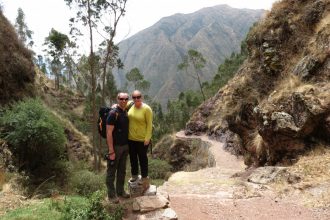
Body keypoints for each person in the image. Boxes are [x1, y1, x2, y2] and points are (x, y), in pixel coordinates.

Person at [106, 92, 130, 203]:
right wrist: (111, 151)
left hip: (125, 146)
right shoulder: (113, 113)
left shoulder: (125, 111)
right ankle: (111, 195)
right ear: (117, 99)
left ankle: (120, 191)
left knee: (122, 171)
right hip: (115, 147)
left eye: (126, 99)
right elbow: (109, 133)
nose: (124, 101)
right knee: (112, 172)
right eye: (121, 99)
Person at [127, 90, 153, 191]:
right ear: (132, 98)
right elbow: (122, 103)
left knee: (142, 158)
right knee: (133, 158)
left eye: (138, 97)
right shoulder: (130, 105)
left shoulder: (146, 109)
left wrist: (147, 138)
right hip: (131, 138)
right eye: (134, 97)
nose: (136, 99)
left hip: (142, 139)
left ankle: (144, 177)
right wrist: (114, 106)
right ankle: (134, 175)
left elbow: (149, 124)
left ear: (141, 97)